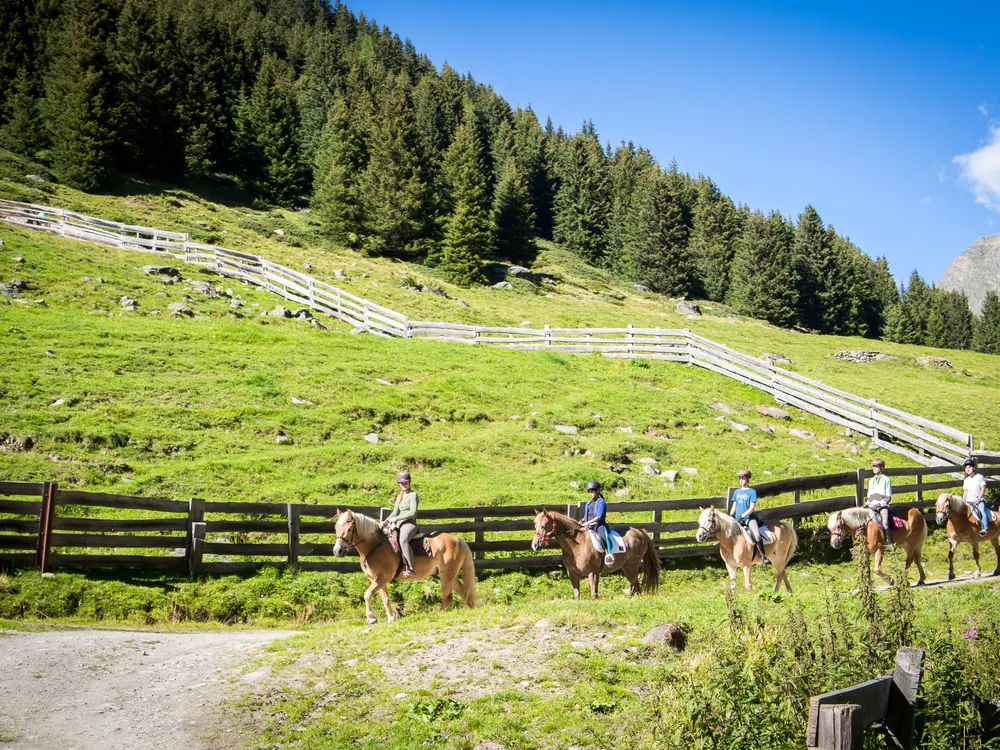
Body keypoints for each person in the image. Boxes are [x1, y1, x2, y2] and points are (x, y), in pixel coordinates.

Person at [381, 471, 419, 576]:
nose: (403, 485)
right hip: (398, 523)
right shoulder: (400, 496)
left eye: (405, 483)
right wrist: (386, 521)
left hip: (409, 523)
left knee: (403, 540)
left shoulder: (413, 495)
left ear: (409, 482)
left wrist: (397, 518)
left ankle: (411, 567)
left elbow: (412, 512)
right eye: (401, 483)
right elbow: (394, 512)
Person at [730, 468, 770, 565]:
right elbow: (734, 506)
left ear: (748, 479)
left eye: (743, 478)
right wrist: (731, 515)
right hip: (737, 519)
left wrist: (742, 516)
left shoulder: (752, 492)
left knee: (756, 535)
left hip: (749, 519)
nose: (741, 480)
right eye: (740, 478)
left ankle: (763, 556)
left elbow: (752, 508)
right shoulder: (737, 492)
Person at [582, 480, 614, 565]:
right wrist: (582, 521)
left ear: (598, 491)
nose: (590, 493)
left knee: (604, 537)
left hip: (598, 525)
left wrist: (588, 523)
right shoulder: (588, 504)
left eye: (592, 491)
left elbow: (599, 517)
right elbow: (587, 515)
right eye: (589, 491)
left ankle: (609, 554)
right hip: (589, 526)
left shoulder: (601, 501)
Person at [866, 458, 893, 546]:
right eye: (873, 466)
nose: (874, 468)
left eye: (876, 466)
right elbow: (869, 496)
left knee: (885, 522)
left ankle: (889, 542)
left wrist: (879, 505)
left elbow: (888, 497)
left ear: (881, 468)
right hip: (871, 506)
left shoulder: (886, 480)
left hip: (882, 506)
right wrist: (866, 504)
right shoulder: (871, 481)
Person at [962, 458, 990, 537]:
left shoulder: (979, 477)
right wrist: (963, 501)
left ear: (974, 468)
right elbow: (965, 492)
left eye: (969, 467)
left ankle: (985, 528)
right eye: (966, 468)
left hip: (978, 500)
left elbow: (982, 489)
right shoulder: (966, 480)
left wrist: (979, 498)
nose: (967, 469)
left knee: (982, 511)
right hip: (968, 502)